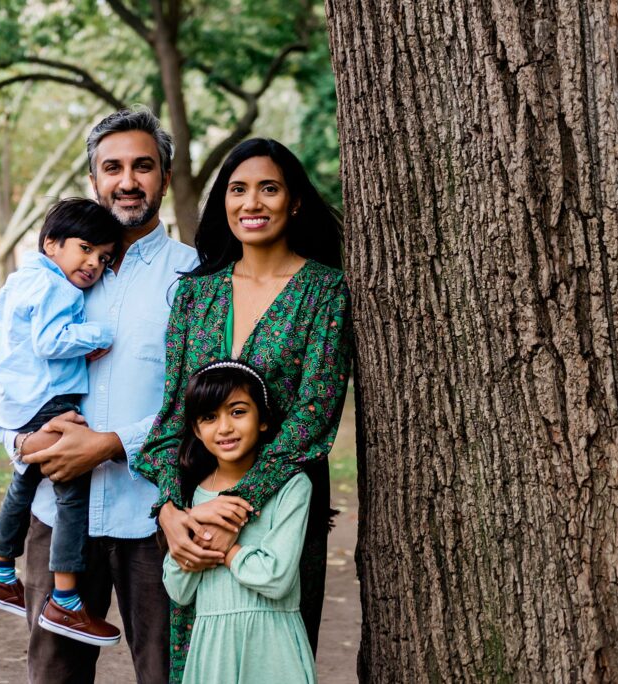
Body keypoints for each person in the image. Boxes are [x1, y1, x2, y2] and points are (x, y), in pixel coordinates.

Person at [0, 108, 197, 683]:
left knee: (167, 674)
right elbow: (0, 378)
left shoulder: (195, 276)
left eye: (143, 166)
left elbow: (199, 401)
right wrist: (20, 441)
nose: (128, 181)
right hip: (54, 513)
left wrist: (108, 444)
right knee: (54, 676)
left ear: (165, 178)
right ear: (94, 180)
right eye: (113, 167)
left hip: (155, 515)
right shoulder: (41, 279)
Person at [135, 138, 354, 680]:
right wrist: (172, 514)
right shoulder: (194, 295)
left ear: (295, 201)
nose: (251, 203)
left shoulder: (324, 291)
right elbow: (170, 423)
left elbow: (313, 419)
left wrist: (235, 509)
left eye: (269, 189)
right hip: (195, 518)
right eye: (238, 190)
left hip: (281, 512)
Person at [0, 198, 123, 647]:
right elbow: (49, 340)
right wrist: (98, 335)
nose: (93, 264)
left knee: (24, 477)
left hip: (19, 400)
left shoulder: (20, 282)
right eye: (85, 249)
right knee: (72, 493)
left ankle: (0, 571)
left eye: (103, 258)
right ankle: (66, 601)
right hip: (47, 399)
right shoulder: (59, 288)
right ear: (51, 243)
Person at [162, 361, 316, 684]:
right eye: (209, 417)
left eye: (237, 412)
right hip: (212, 647)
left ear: (263, 419)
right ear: (196, 429)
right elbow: (179, 589)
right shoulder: (192, 492)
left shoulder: (291, 486)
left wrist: (228, 551)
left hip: (272, 645)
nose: (224, 428)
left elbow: (276, 577)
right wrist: (194, 519)